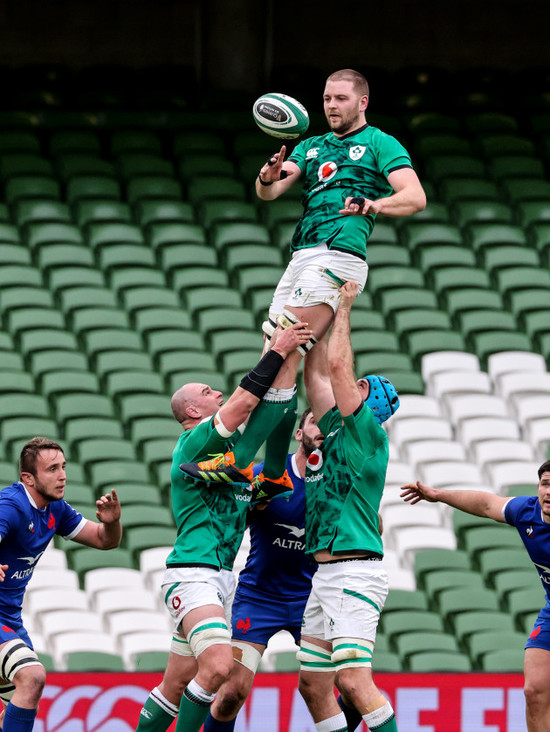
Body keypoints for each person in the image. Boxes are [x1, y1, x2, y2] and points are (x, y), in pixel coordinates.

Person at [182, 68, 425, 493]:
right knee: (275, 359)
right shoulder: (311, 146)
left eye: (341, 99)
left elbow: (414, 196)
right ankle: (275, 469)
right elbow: (270, 193)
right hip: (302, 256)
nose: (331, 105)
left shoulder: (379, 143)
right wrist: (268, 175)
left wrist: (373, 204)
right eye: (327, 98)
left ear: (362, 102)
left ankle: (240, 461)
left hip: (337, 255)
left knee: (282, 356)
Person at [135, 323, 311, 732]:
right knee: (216, 668)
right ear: (193, 411)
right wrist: (278, 350)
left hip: (221, 578)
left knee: (176, 683)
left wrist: (287, 355)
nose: (216, 392)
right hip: (193, 572)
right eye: (207, 391)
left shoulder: (234, 456)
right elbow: (247, 401)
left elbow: (276, 413)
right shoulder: (196, 442)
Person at [298, 281, 400, 732]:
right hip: (326, 573)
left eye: (355, 385)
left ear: (362, 394)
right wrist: (314, 325)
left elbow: (337, 366)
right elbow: (316, 377)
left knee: (355, 683)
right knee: (313, 685)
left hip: (354, 569)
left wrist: (343, 306)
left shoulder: (365, 434)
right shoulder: (336, 431)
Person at [401, 465, 550, 732]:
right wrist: (437, 495)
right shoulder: (527, 512)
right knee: (534, 691)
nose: (548, 492)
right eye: (545, 484)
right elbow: (485, 505)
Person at [203, 408, 323, 732]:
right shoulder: (268, 475)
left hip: (310, 601)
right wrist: (250, 506)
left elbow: (371, 525)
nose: (322, 426)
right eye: (315, 420)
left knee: (336, 690)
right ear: (299, 433)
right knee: (232, 692)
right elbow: (230, 522)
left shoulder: (336, 484)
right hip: (259, 597)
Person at [0, 436, 122, 732]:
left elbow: (105, 541)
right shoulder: (12, 505)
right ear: (28, 478)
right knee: (32, 677)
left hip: (10, 620)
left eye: (63, 466)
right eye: (52, 468)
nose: (63, 475)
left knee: (15, 707)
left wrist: (112, 522)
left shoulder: (56, 509)